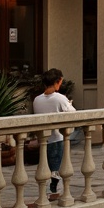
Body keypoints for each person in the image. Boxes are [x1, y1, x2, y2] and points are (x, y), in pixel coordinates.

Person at [33, 67, 75, 195]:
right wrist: (69, 103)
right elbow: (72, 113)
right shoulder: (59, 98)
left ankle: (48, 191)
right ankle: (55, 191)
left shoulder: (37, 100)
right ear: (57, 82)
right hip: (56, 138)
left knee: (46, 165)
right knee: (56, 168)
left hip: (44, 139)